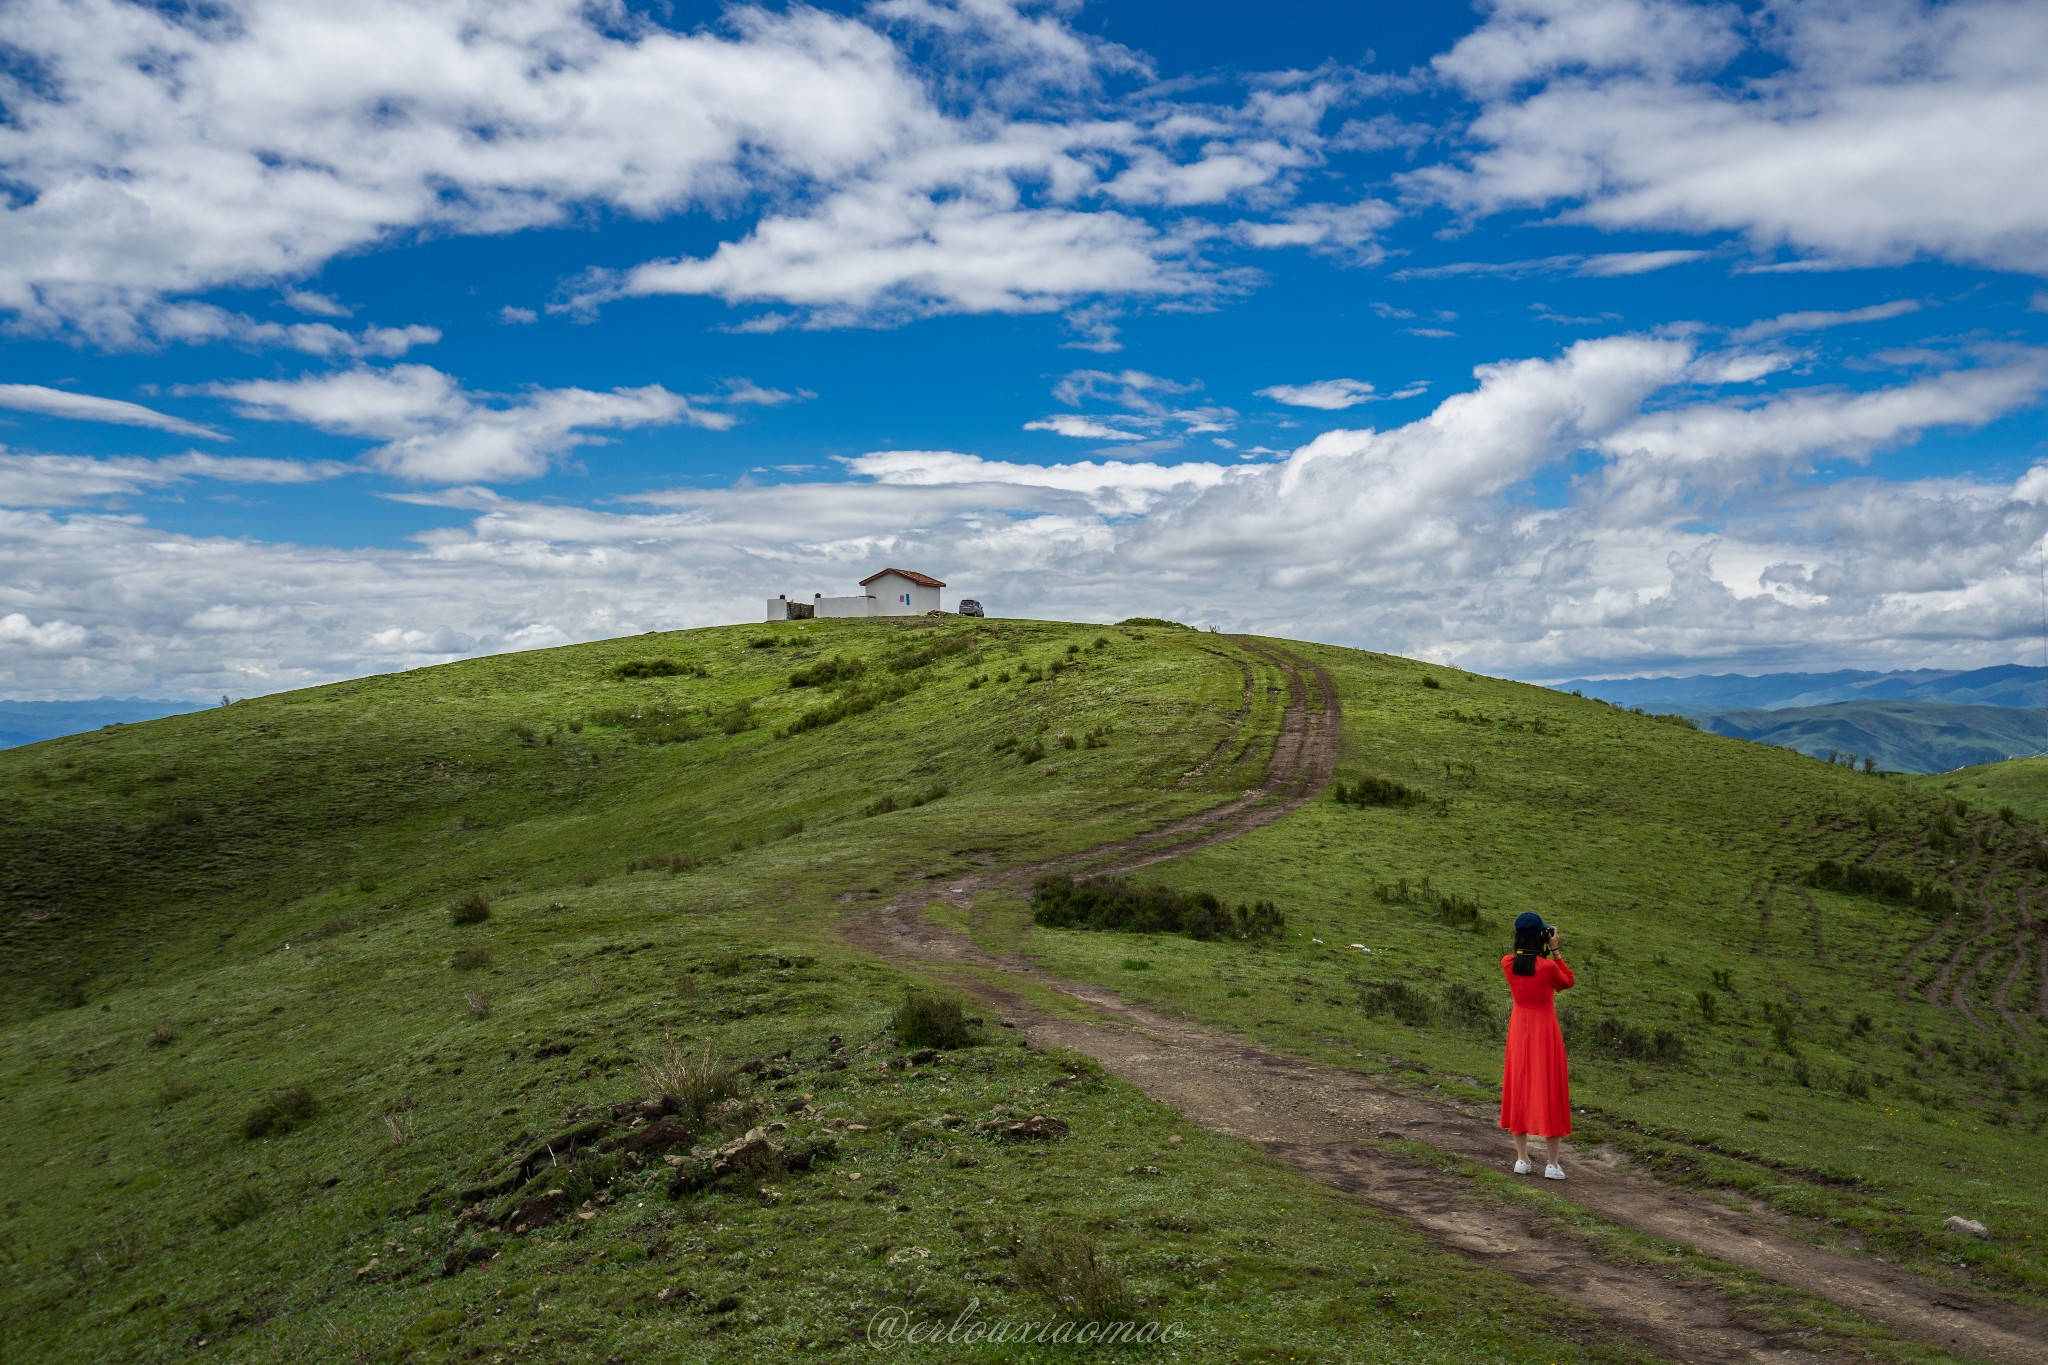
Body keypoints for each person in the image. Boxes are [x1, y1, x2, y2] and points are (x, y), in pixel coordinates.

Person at [1500, 910, 1574, 1179]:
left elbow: (1524, 962)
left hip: (1520, 1029)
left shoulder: (1507, 963)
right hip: (1545, 1031)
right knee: (1550, 1088)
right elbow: (1567, 982)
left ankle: (1522, 1159)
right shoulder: (1548, 967)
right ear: (1541, 936)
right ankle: (1552, 1164)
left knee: (1518, 1087)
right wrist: (1555, 951)